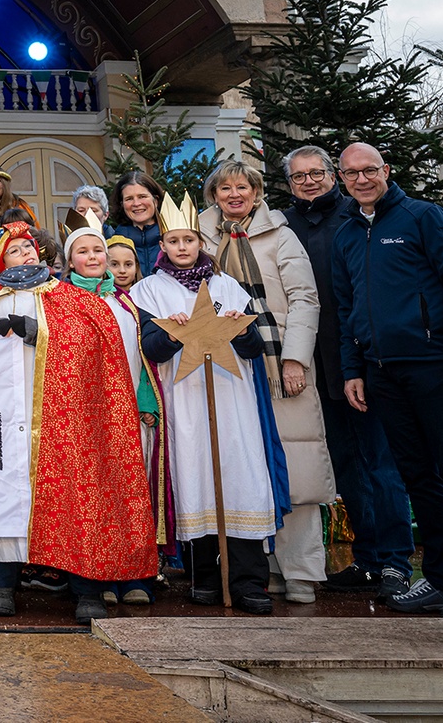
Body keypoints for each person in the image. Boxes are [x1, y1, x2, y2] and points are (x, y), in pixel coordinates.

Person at [0, 221, 158, 623]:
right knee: (6, 495)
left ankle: (85, 587)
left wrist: (37, 332)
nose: (25, 253)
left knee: (79, 494)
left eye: (28, 246)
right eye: (14, 250)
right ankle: (1, 583)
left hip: (68, 416)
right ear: (0, 261)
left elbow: (91, 347)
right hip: (9, 415)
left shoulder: (74, 298)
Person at [131, 193, 288, 615]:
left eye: (189, 240)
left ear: (201, 242)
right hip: (184, 400)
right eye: (174, 241)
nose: (182, 247)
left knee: (239, 475)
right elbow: (150, 350)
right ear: (162, 245)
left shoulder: (227, 286)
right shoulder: (148, 291)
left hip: (231, 398)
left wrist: (239, 330)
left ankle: (248, 580)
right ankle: (204, 576)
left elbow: (253, 349)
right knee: (195, 474)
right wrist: (171, 334)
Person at [199, 159, 335, 604]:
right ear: (214, 196)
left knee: (295, 466)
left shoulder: (280, 235)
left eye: (243, 187)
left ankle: (300, 569)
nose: (234, 195)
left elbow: (304, 298)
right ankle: (261, 566)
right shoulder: (201, 236)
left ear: (256, 192)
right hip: (225, 366)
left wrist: (295, 359)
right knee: (244, 465)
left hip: (277, 365)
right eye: (225, 189)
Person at [282, 145, 413, 599]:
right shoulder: (284, 225)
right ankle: (368, 558)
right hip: (314, 366)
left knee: (381, 464)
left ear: (331, 175)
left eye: (316, 173)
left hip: (360, 359)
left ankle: (396, 561)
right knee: (346, 466)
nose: (309, 182)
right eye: (299, 177)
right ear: (289, 184)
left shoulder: (356, 217)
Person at [332, 142, 443, 614]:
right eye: (351, 173)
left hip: (431, 364)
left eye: (369, 170)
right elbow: (346, 309)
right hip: (380, 372)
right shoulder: (346, 235)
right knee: (417, 475)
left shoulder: (423, 217)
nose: (361, 179)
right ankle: (438, 580)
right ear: (342, 179)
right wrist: (353, 370)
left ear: (386, 170)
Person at [61, 214, 169, 606]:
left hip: (126, 415)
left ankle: (135, 575)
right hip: (82, 416)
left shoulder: (127, 304)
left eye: (98, 250)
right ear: (70, 261)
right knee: (89, 500)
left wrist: (145, 402)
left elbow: (142, 358)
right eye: (83, 251)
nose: (93, 257)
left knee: (130, 493)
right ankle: (96, 576)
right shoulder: (60, 302)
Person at [112, 171, 164, 273]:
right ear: (122, 204)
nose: (136, 203)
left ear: (156, 201)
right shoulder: (115, 242)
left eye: (142, 196)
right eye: (129, 199)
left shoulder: (172, 238)